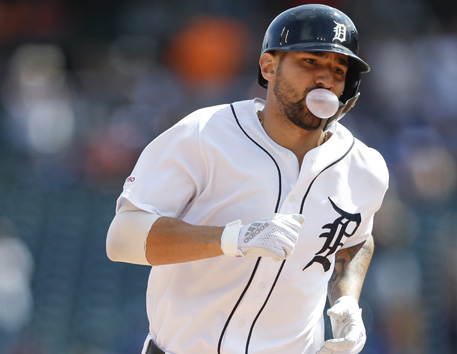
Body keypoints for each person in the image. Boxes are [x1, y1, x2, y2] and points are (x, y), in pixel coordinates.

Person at [106, 4, 389, 354]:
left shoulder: (365, 168)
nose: (325, 79)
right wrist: (231, 238)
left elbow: (357, 238)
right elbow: (121, 239)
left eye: (338, 68)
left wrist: (347, 301)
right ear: (269, 66)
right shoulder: (204, 134)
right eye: (310, 62)